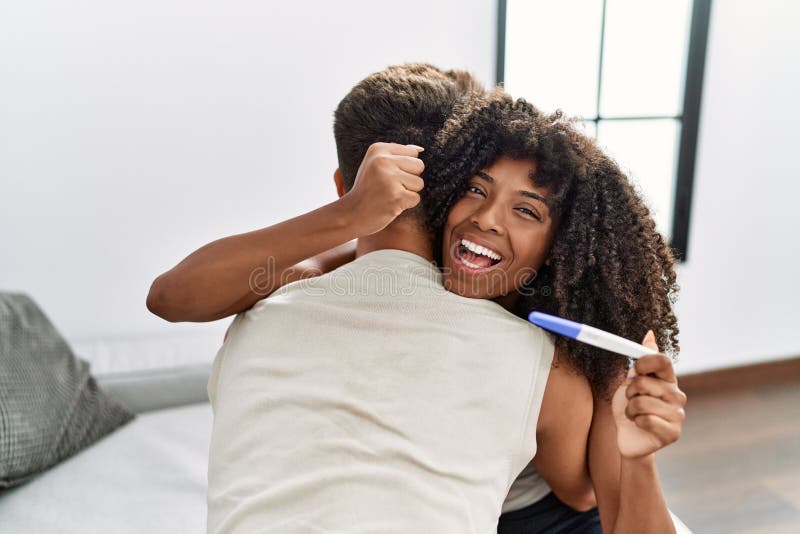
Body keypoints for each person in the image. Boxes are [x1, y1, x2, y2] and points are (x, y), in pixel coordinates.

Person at [147, 64, 686, 532]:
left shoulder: (574, 334)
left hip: (544, 510)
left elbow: (582, 495)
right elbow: (172, 296)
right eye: (475, 188)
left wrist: (633, 455)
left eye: (526, 210)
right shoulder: (353, 269)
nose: (486, 218)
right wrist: (354, 217)